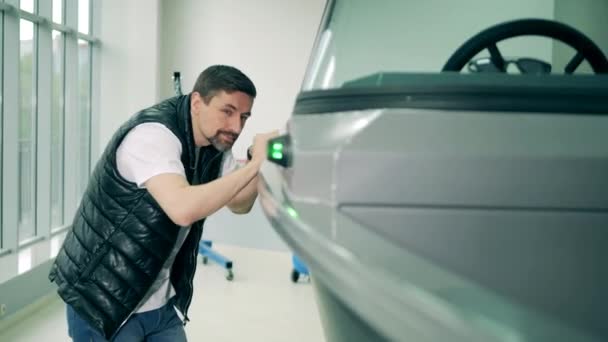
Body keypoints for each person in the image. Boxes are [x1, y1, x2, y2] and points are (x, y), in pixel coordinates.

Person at [48, 65, 278, 341]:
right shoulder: (153, 135)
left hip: (160, 303)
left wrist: (257, 160)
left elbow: (240, 203)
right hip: (105, 300)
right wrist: (254, 168)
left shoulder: (215, 143)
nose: (236, 127)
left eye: (244, 117)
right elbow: (183, 209)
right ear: (196, 102)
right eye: (227, 112)